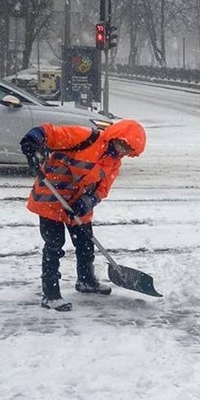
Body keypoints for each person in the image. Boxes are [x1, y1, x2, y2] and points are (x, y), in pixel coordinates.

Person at [21, 119, 146, 311]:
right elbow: (52, 133)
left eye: (127, 150)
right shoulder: (86, 137)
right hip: (51, 198)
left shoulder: (114, 162)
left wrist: (90, 200)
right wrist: (33, 139)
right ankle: (51, 294)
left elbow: (103, 188)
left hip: (78, 204)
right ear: (115, 136)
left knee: (86, 243)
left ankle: (86, 281)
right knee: (54, 246)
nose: (122, 151)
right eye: (122, 144)